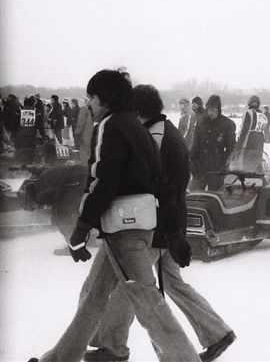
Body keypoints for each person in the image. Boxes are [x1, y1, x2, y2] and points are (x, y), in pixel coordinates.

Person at [28, 69, 201, 362]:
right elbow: (162, 182)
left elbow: (101, 182)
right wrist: (173, 233)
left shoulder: (110, 125)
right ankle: (60, 358)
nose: (88, 105)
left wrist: (80, 229)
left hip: (124, 231)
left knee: (147, 302)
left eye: (91, 98)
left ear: (104, 99)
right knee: (94, 296)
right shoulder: (135, 125)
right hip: (131, 229)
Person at [82, 84, 235, 362]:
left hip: (153, 226)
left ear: (138, 111)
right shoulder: (165, 130)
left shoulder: (154, 137)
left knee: (131, 287)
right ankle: (216, 333)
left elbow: (150, 184)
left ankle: (113, 347)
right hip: (168, 222)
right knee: (171, 283)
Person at [190, 95, 237, 191]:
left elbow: (231, 148)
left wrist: (224, 164)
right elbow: (195, 143)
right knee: (194, 194)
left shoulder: (227, 124)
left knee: (214, 196)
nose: (211, 113)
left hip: (216, 168)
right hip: (200, 166)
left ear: (218, 110)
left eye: (214, 110)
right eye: (209, 110)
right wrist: (192, 160)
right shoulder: (200, 121)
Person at [236, 95, 268, 172]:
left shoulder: (249, 113)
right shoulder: (263, 115)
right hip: (260, 141)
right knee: (257, 163)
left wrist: (239, 145)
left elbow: (244, 129)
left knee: (247, 164)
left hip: (249, 141)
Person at [13, 95, 39, 165]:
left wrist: (15, 132)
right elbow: (39, 123)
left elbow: (16, 122)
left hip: (21, 133)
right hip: (32, 133)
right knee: (30, 149)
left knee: (21, 148)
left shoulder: (20, 110)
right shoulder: (35, 110)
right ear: (32, 103)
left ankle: (21, 164)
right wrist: (42, 134)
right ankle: (29, 163)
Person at [73, 97, 94, 162]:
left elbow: (80, 123)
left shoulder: (84, 108)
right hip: (93, 134)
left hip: (85, 134)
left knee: (84, 153)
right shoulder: (96, 109)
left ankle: (85, 168)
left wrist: (77, 133)